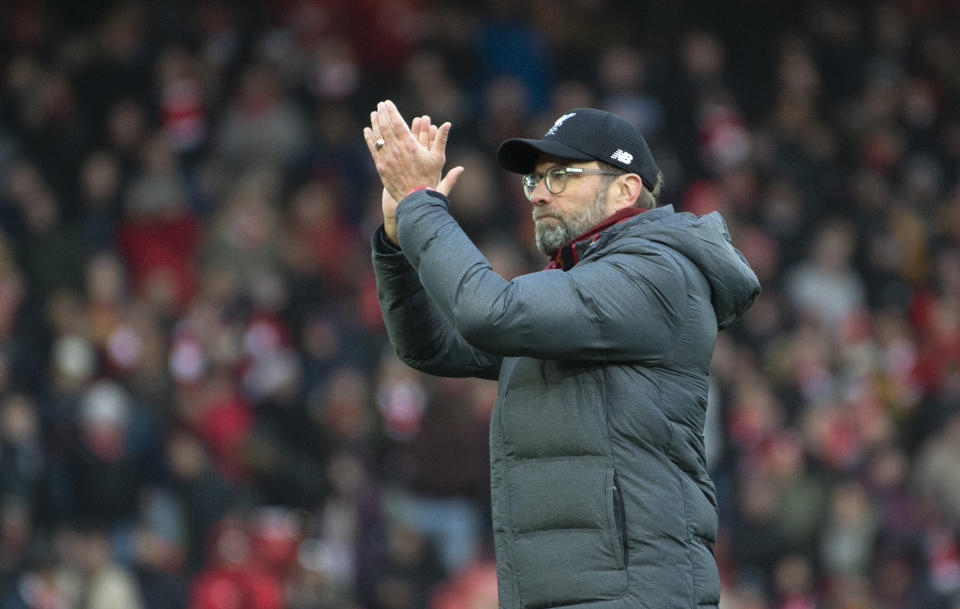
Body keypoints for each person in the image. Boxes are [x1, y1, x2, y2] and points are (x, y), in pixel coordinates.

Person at [364, 100, 760, 609]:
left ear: (625, 187)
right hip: (566, 590)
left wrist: (422, 203)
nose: (537, 195)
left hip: (631, 593)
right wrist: (398, 246)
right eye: (534, 181)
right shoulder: (576, 290)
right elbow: (431, 345)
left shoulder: (658, 272)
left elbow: (491, 312)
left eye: (561, 176)